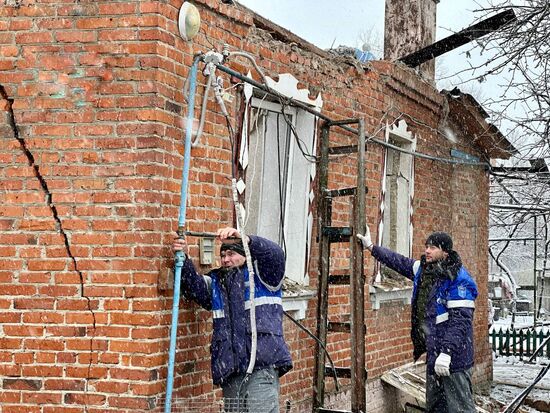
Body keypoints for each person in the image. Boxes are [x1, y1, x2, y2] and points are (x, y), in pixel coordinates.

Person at [357, 227, 478, 413]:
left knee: (459, 409)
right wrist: (372, 247)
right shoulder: (424, 271)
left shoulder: (459, 279)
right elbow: (399, 262)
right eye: (427, 246)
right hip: (434, 355)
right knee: (436, 408)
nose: (427, 251)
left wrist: (447, 353)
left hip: (454, 359)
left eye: (433, 247)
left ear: (445, 252)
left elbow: (460, 321)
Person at [172, 227, 292, 413]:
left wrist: (247, 239)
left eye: (232, 254)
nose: (226, 259)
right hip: (232, 370)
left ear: (245, 255)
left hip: (261, 367)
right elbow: (195, 287)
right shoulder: (218, 282)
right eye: (223, 255)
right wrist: (182, 258)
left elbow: (276, 254)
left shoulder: (264, 275)